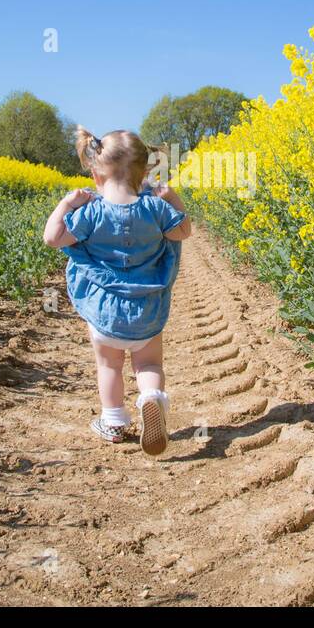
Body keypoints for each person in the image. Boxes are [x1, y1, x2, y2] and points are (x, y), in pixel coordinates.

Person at [42, 127, 192, 455]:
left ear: (95, 174)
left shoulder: (90, 213)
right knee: (149, 365)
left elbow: (52, 238)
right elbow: (184, 230)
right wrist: (171, 197)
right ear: (145, 174)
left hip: (104, 312)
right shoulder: (155, 209)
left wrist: (67, 203)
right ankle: (152, 398)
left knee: (109, 366)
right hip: (147, 311)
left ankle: (113, 421)